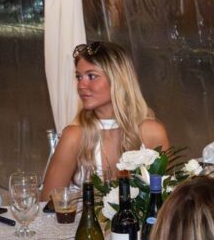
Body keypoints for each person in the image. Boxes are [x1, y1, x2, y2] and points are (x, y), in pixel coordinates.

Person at [39, 41, 169, 200]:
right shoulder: (74, 136)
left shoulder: (151, 132)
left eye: (91, 76)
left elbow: (168, 199)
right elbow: (47, 203)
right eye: (79, 77)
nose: (81, 85)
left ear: (117, 79)